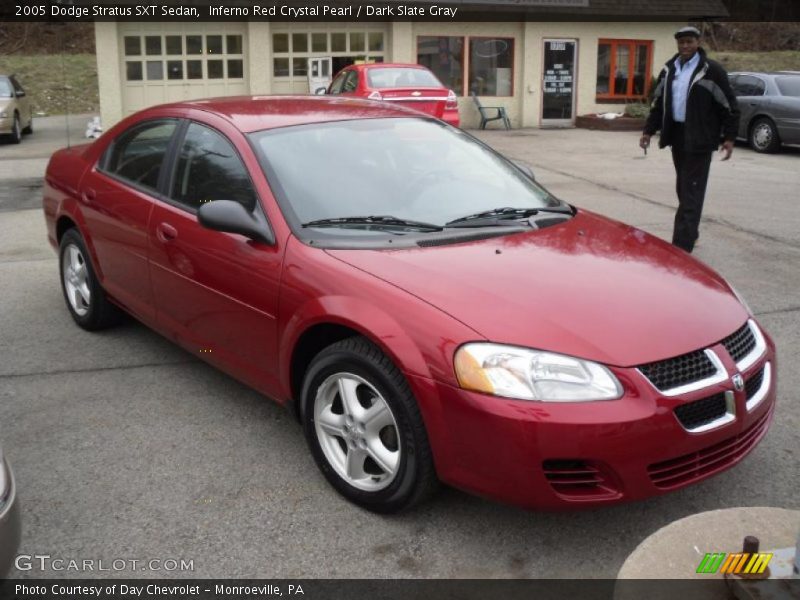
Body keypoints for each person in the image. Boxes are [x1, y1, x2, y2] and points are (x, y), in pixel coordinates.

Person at [640, 26, 739, 253]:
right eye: (681, 42)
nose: (685, 46)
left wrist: (730, 137)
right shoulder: (669, 69)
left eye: (689, 42)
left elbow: (729, 106)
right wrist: (648, 131)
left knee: (691, 190)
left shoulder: (711, 70)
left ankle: (680, 248)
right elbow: (658, 104)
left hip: (701, 138)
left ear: (698, 42)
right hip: (677, 136)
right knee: (684, 189)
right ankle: (691, 233)